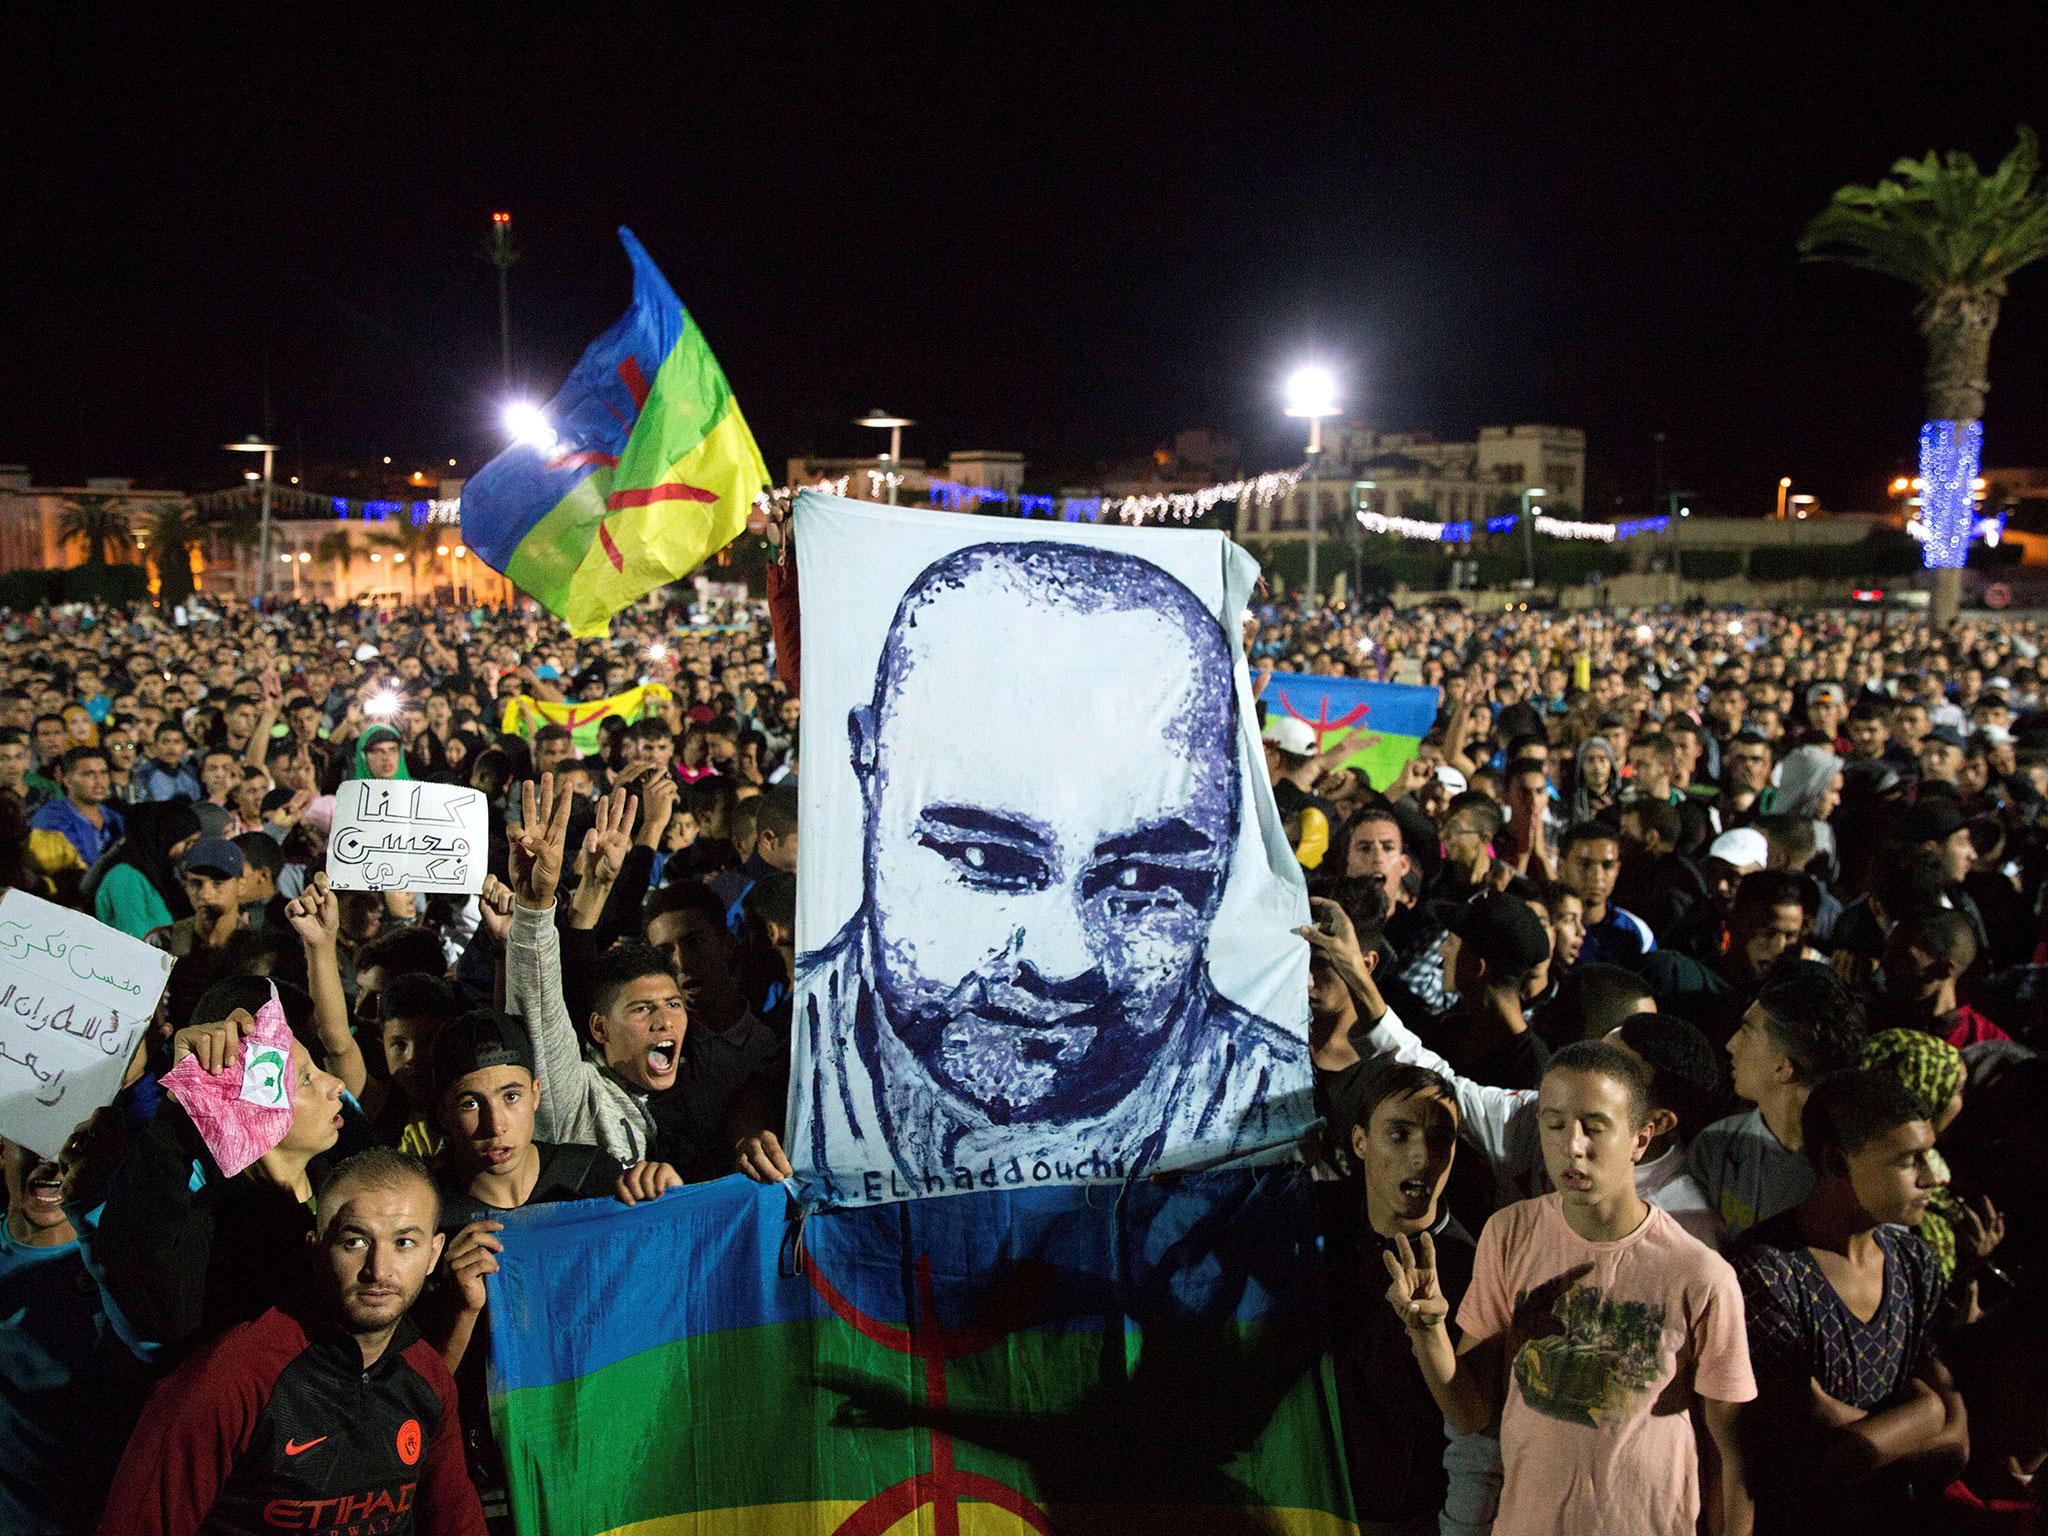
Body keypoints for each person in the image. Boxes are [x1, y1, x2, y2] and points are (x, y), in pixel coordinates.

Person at [790, 541, 1309, 1201]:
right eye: (986, 861)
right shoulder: (772, 1074)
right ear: (870, 768)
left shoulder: (1279, 1110)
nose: (1063, 963)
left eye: (1140, 883)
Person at [1382, 1041, 1755, 1536]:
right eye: (1554, 1124)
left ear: (1641, 1138)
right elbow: (1471, 1415)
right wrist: (1428, 1333)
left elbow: (1732, 1456)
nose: (1572, 1146)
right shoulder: (1509, 1234)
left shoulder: (1700, 1273)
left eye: (1593, 1127)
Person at [96, 1149, 487, 1536]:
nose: (379, 1270)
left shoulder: (427, 1375)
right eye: (355, 1242)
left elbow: (457, 1521)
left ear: (434, 1253)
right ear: (316, 1247)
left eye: (404, 1243)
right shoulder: (233, 1378)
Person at [1731, 1068, 1964, 1533]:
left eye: (1930, 1156)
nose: (1933, 1178)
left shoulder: (1914, 1262)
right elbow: (1809, 1457)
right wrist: (1925, 1416)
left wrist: (1926, 1418)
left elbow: (1957, 1445)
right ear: (1838, 1162)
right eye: (1908, 1161)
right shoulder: (1768, 1271)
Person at [1324, 1062, 1483, 1536]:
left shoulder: (1472, 1266)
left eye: (1440, 1139)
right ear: (1359, 1142)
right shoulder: (1319, 1222)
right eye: (1400, 1135)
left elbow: (1474, 1421)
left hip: (1406, 1517)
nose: (1422, 1158)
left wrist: (1429, 1332)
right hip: (1307, 1498)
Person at [1690, 961, 1867, 1238]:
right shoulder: (1715, 1147)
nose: (1730, 1044)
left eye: (1746, 1031)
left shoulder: (1858, 1167)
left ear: (1784, 1067)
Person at [1558, 821, 1655, 967]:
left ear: (1617, 869)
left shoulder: (1636, 933)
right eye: (1585, 864)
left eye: (1607, 866)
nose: (1597, 876)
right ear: (1561, 867)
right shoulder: (1543, 925)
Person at [29, 744, 123, 865]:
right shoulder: (51, 818)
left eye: (103, 773)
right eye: (89, 774)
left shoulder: (115, 817)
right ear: (67, 780)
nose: (99, 781)